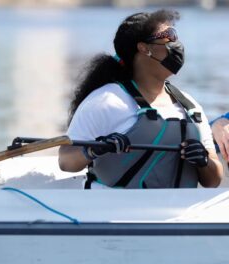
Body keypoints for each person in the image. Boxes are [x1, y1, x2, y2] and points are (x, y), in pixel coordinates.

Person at [58, 9, 223, 189]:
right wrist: (93, 149)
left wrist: (204, 161)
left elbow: (213, 181)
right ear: (144, 48)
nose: (177, 44)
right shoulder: (106, 101)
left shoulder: (191, 108)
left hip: (175, 215)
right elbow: (65, 161)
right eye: (169, 36)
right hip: (111, 210)